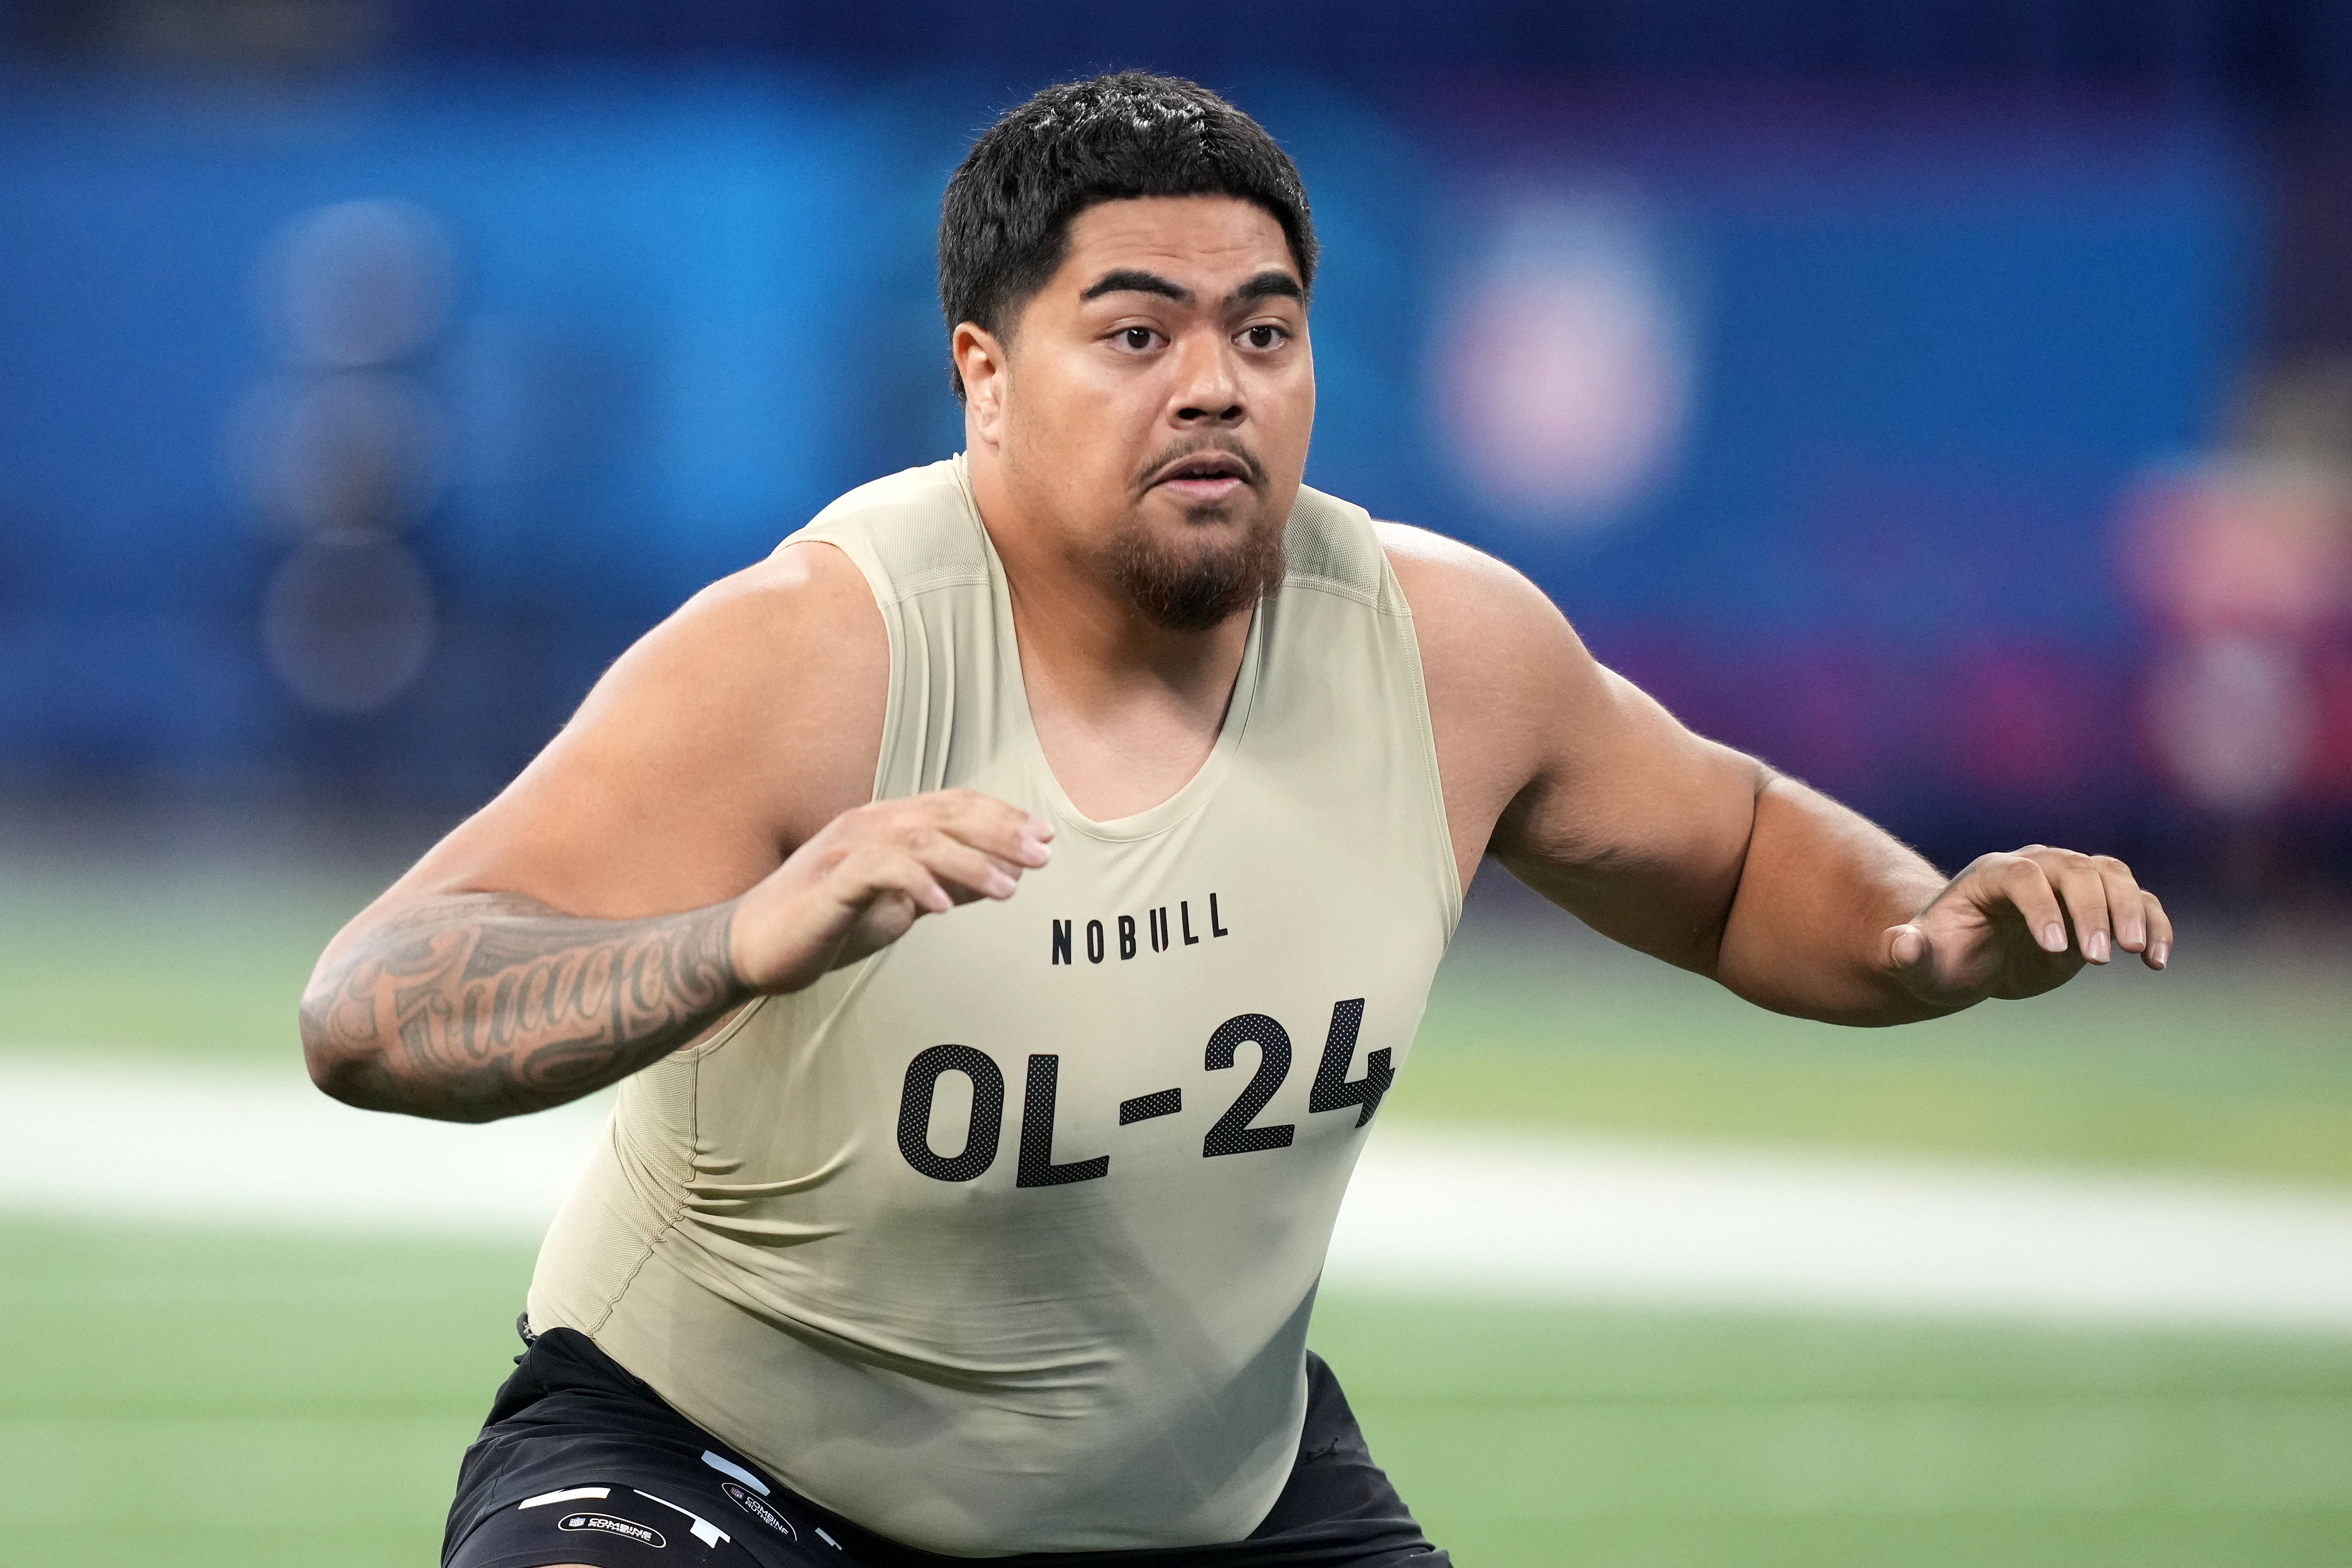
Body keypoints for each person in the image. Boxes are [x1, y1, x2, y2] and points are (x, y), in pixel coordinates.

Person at [301, 70, 2171, 1568]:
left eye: (1264, 333)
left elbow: (1744, 850)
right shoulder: (820, 655)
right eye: (1136, 334)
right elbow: (371, 1004)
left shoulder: (1444, 649)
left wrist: (1934, 937)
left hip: (1209, 1501)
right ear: (983, 378)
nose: (1215, 383)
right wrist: (738, 940)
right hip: (723, 1470)